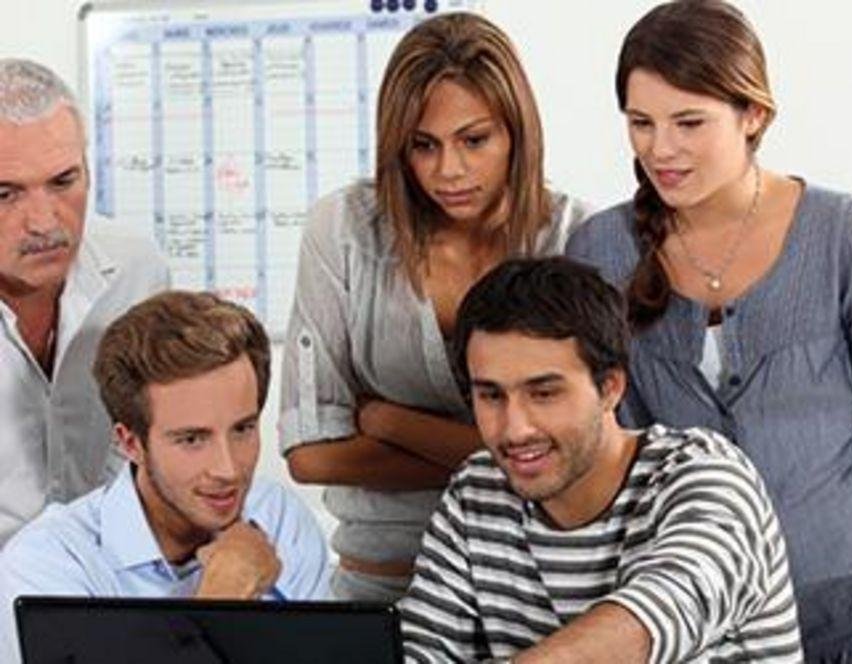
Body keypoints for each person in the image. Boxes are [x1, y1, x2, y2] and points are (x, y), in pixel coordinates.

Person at [564, 1, 852, 661]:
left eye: (688, 122)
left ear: (753, 115)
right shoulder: (601, 251)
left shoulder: (845, 235)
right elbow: (618, 465)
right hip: (713, 634)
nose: (660, 149)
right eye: (641, 123)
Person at [279, 12, 590, 601]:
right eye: (423, 145)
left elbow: (584, 452)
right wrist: (505, 458)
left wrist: (390, 421)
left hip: (538, 593)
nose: (449, 171)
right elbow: (311, 455)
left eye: (474, 140)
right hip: (379, 588)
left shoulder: (576, 237)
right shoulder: (343, 229)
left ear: (516, 133)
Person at [399, 257, 802, 662]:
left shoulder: (707, 475)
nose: (515, 428)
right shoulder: (476, 492)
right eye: (491, 395)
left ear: (610, 387)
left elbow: (655, 618)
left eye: (544, 393)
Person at [0, 291, 331, 663]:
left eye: (243, 429)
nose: (227, 469)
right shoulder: (48, 565)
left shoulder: (281, 518)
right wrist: (223, 600)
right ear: (130, 443)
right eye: (192, 439)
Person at [0, 58, 169, 545]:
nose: (43, 222)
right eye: (6, 194)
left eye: (63, 182)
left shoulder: (137, 270)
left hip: (103, 586)